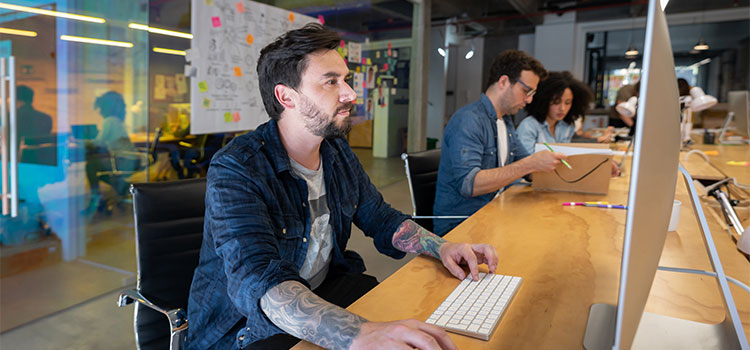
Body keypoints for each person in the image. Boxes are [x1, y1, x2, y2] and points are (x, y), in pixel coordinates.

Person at [186, 23, 498, 350]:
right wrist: (359, 334)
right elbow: (262, 284)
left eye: (345, 79)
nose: (350, 93)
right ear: (286, 96)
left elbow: (380, 216)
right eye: (331, 82)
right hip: (247, 328)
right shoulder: (237, 168)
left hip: (324, 291)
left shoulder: (335, 149)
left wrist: (442, 247)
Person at [432, 50, 567, 236]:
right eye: (526, 91)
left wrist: (591, 168)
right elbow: (469, 184)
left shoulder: (505, 122)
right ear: (503, 82)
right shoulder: (469, 120)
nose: (529, 100)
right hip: (460, 226)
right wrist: (531, 164)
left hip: (494, 213)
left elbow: (529, 169)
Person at [517, 71, 619, 177]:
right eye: (556, 102)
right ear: (544, 100)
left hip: (556, 180)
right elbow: (525, 167)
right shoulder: (529, 126)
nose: (562, 108)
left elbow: (568, 158)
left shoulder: (566, 126)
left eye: (567, 103)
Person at [84, 91, 140, 213]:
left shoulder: (109, 121)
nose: (99, 111)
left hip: (123, 160)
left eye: (101, 107)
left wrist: (80, 142)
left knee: (91, 166)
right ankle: (122, 187)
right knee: (99, 169)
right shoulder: (118, 121)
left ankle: (96, 199)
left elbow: (98, 142)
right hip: (131, 160)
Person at [16, 85, 53, 151]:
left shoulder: (9, 118)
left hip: (14, 159)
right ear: (32, 100)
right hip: (40, 159)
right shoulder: (46, 118)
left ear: (16, 100)